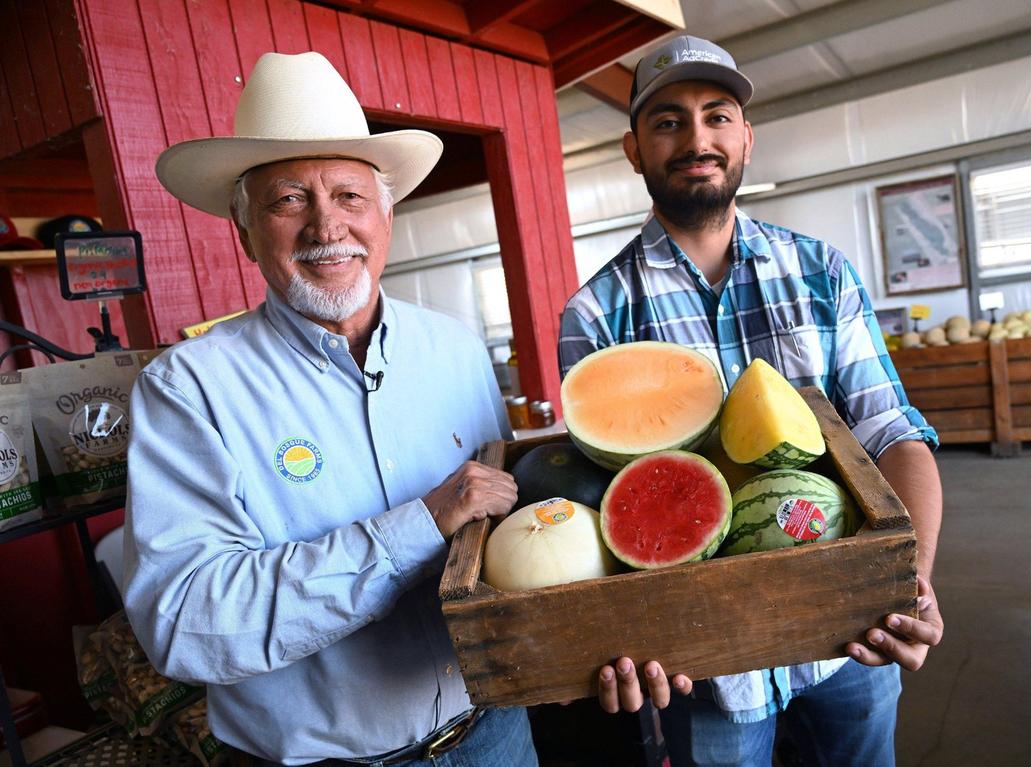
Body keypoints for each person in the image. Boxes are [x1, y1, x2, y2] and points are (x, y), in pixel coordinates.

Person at [123, 51, 537, 767]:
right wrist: (418, 526)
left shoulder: (456, 349)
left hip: (494, 734)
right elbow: (185, 622)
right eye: (289, 200)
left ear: (386, 214)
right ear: (244, 229)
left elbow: (504, 541)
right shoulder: (187, 389)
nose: (326, 226)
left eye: (349, 195)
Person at [559, 35, 945, 766]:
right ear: (633, 149)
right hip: (705, 669)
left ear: (746, 137)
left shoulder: (823, 272)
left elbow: (892, 431)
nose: (696, 139)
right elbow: (610, 501)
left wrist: (910, 575)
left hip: (849, 641)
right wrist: (616, 627)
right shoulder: (596, 314)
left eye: (718, 116)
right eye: (667, 121)